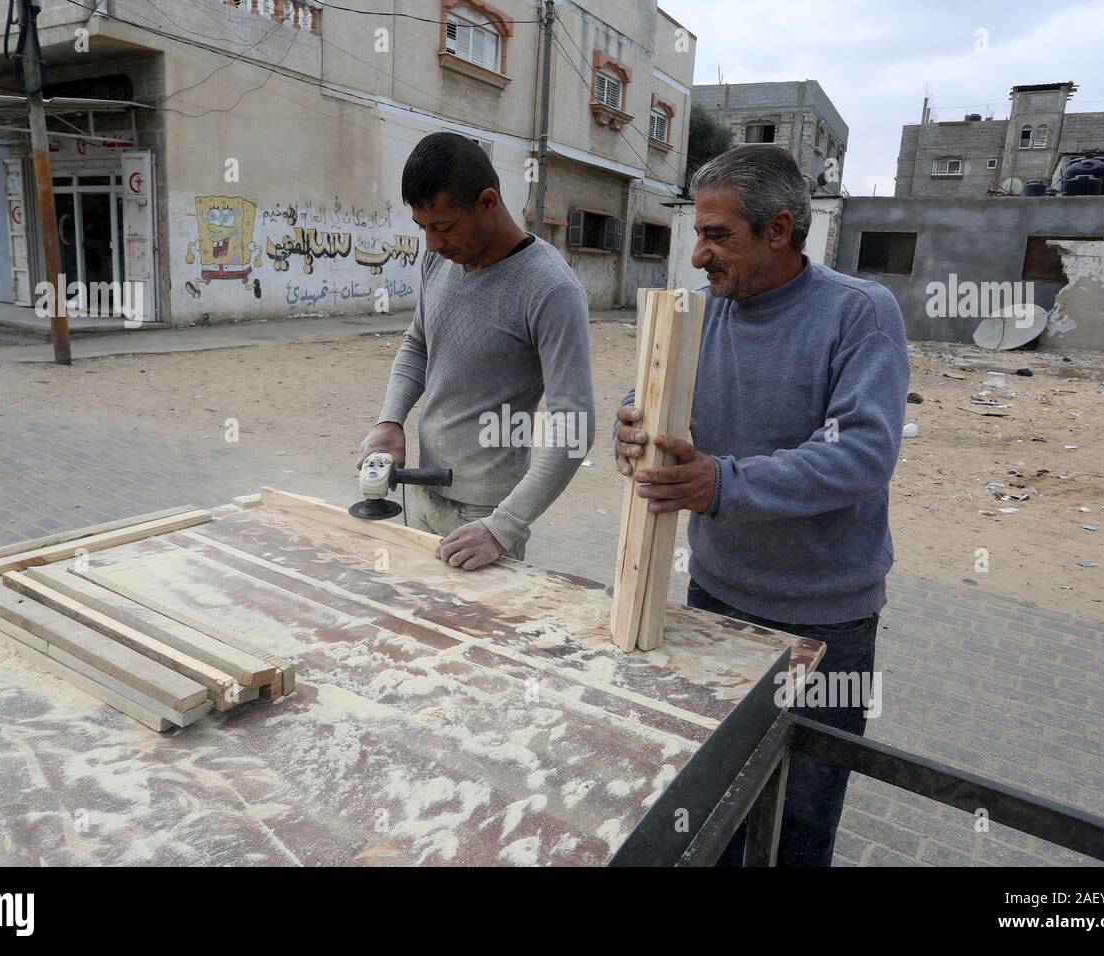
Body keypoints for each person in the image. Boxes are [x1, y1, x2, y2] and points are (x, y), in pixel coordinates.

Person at [613, 144, 910, 866]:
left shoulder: (858, 314)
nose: (697, 257)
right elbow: (655, 395)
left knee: (800, 819)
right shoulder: (704, 311)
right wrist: (634, 423)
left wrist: (725, 484)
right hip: (716, 595)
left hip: (825, 615)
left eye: (718, 237)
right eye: (697, 234)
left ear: (779, 230)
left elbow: (862, 455)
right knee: (714, 798)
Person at [360, 132, 595, 569]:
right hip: (421, 488)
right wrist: (390, 421)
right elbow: (418, 344)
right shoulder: (440, 260)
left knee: (472, 634)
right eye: (423, 228)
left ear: (488, 202)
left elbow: (574, 429)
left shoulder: (551, 289)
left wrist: (503, 527)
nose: (431, 243)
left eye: (442, 227)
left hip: (484, 515)